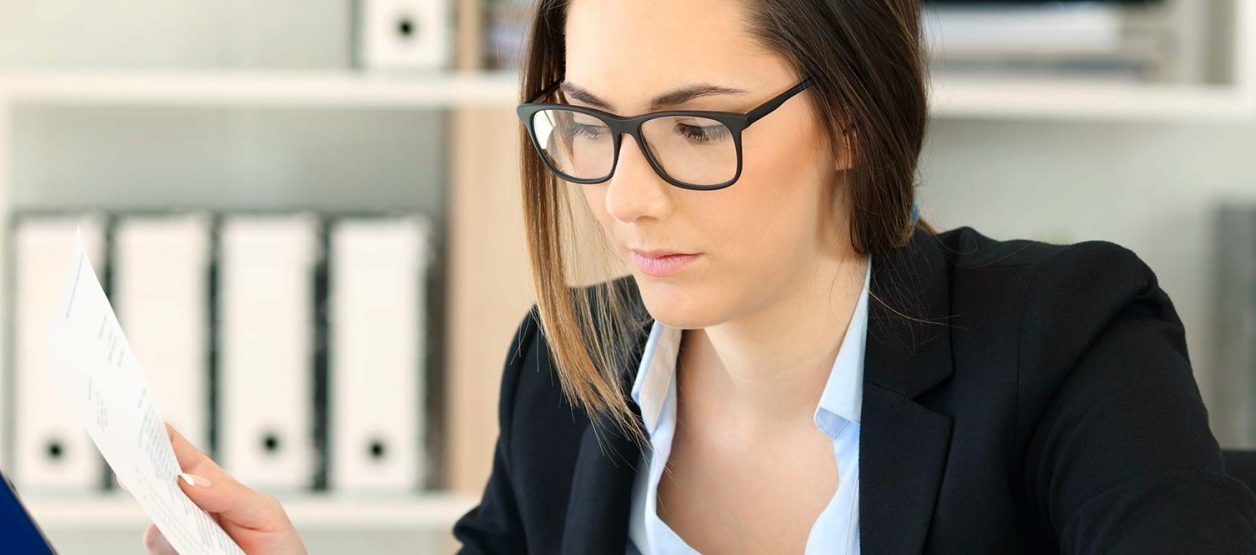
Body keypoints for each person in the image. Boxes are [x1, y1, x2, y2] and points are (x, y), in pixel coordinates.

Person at [145, 0, 1256, 552]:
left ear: (852, 119)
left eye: (693, 127)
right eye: (587, 123)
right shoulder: (561, 374)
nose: (626, 196)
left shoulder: (1068, 340)